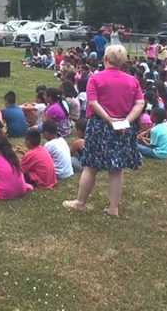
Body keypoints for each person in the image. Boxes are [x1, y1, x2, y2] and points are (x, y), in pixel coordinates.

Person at [63, 45, 145, 217]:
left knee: (91, 166)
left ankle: (80, 202)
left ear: (105, 59)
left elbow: (93, 102)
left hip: (100, 126)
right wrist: (126, 121)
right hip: (123, 126)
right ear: (123, 62)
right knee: (116, 169)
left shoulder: (96, 78)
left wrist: (109, 119)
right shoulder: (132, 80)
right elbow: (140, 103)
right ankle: (113, 208)